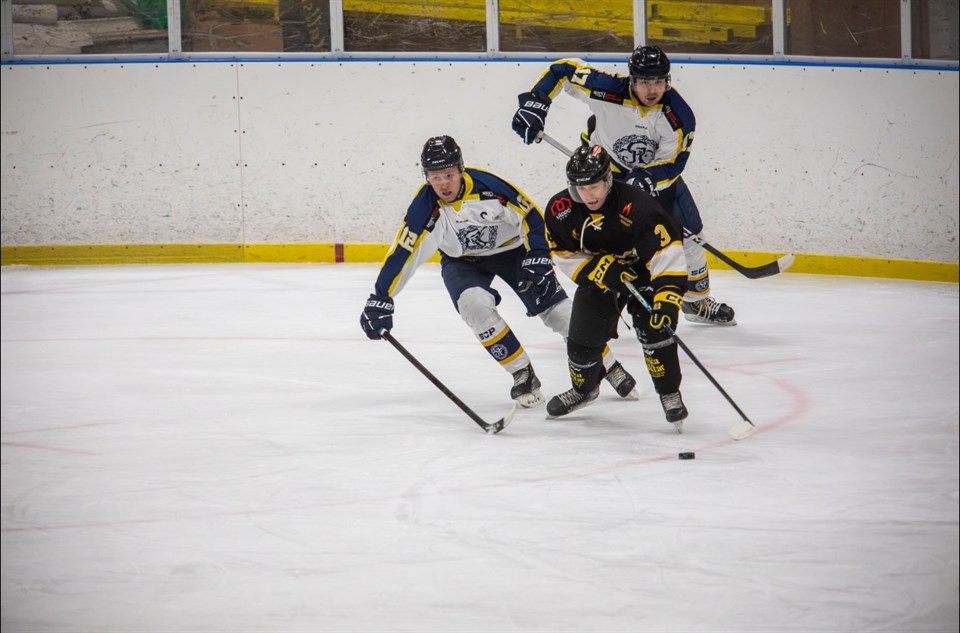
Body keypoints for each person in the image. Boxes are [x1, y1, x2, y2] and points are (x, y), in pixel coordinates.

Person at [359, 135, 639, 408]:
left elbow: (531, 217)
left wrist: (538, 254)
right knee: (473, 306)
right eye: (435, 177)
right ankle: (522, 372)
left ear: (461, 169)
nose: (443, 184)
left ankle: (609, 365)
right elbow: (404, 251)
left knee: (559, 312)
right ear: (426, 177)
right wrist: (382, 295)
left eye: (449, 175)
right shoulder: (424, 207)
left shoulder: (490, 187)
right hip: (462, 262)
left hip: (513, 253)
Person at [511, 45, 736, 326]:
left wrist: (648, 178)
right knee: (601, 237)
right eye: (644, 82)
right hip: (604, 176)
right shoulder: (606, 89)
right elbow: (562, 70)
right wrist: (535, 104)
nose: (652, 90)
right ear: (632, 79)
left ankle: (696, 301)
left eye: (659, 82)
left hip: (656, 182)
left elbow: (673, 163)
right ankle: (606, 299)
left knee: (691, 239)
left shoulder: (679, 116)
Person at [541, 144, 689, 431]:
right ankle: (584, 390)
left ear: (608, 180)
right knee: (581, 340)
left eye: (594, 186)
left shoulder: (638, 206)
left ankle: (670, 393)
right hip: (601, 276)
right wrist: (601, 270)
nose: (588, 195)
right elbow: (563, 254)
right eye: (581, 188)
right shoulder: (561, 210)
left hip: (644, 275)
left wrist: (667, 300)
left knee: (655, 329)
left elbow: (667, 252)